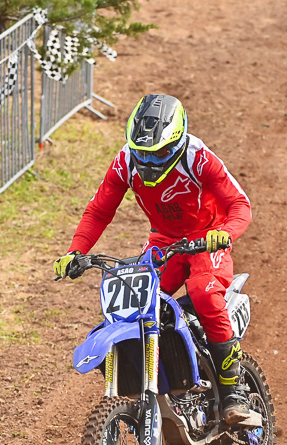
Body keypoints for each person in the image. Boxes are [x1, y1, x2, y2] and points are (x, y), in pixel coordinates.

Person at [54, 94, 254, 424]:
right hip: (165, 242)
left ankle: (233, 389)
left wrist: (226, 234)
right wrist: (77, 251)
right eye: (142, 152)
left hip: (207, 237)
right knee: (131, 301)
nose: (149, 160)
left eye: (159, 153)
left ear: (176, 141)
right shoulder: (125, 163)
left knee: (204, 292)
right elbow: (100, 209)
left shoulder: (198, 158)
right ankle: (159, 379)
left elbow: (240, 205)